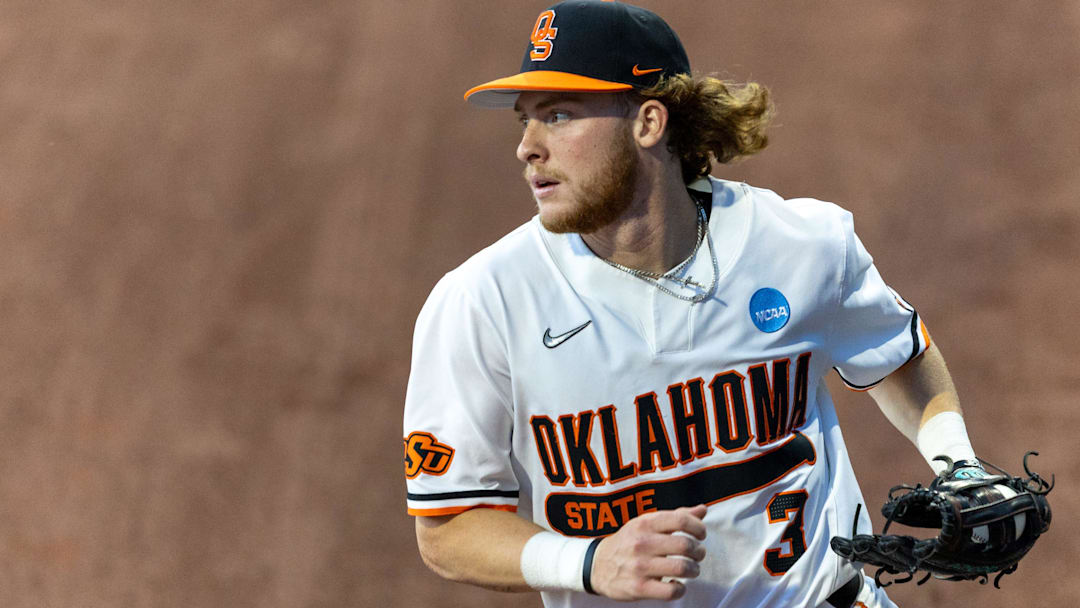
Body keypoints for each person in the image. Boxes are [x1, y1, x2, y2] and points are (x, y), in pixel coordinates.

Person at [403, 2, 982, 607]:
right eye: (525, 121)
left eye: (559, 115)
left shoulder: (800, 245)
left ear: (648, 122)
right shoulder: (482, 303)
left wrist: (957, 461)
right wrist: (588, 561)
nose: (527, 147)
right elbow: (447, 527)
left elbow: (895, 354)